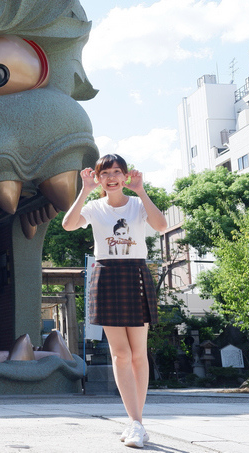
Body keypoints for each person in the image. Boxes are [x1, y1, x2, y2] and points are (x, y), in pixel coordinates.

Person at [62, 154, 167, 449]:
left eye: (117, 171)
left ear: (125, 176)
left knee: (138, 354)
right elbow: (69, 225)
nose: (112, 177)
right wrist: (83, 190)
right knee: (120, 354)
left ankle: (137, 422)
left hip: (135, 273)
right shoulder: (94, 207)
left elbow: (160, 225)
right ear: (98, 178)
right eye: (105, 172)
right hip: (107, 274)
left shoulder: (136, 204)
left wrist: (142, 191)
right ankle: (135, 423)